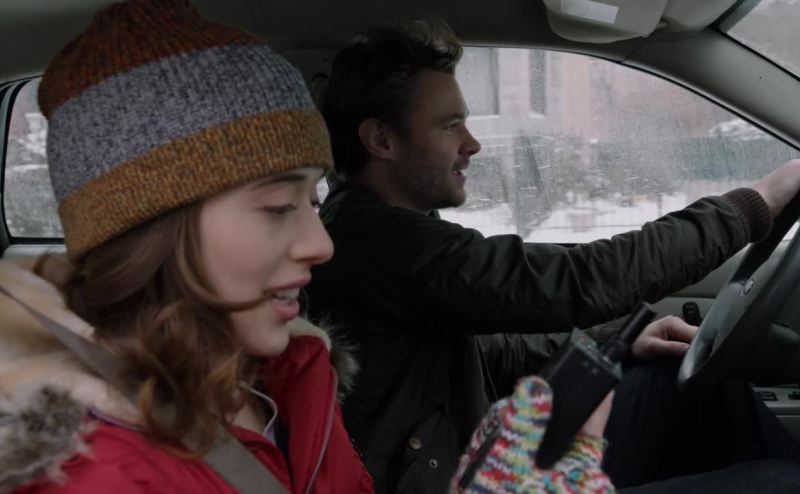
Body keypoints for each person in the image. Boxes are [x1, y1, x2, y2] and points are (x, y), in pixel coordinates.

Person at [306, 18, 800, 493]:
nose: (472, 144)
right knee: (782, 483)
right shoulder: (382, 242)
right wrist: (754, 205)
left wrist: (618, 340)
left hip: (472, 457)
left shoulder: (388, 229)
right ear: (381, 140)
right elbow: (576, 280)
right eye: (450, 125)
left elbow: (493, 351)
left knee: (685, 383)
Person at [0, 1, 375, 492]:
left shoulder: (294, 378)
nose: (321, 244)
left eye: (313, 200)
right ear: (150, 229)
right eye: (279, 205)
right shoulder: (95, 476)